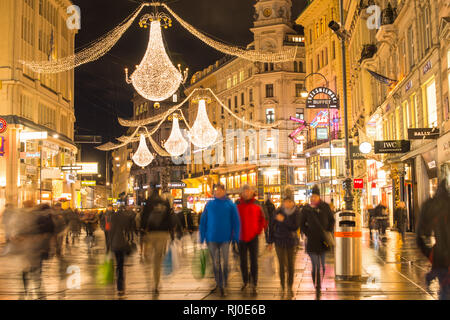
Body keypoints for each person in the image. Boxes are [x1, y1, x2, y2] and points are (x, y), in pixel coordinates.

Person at [199, 184, 240, 297]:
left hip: (225, 238)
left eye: (219, 190)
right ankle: (220, 284)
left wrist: (236, 236)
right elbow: (203, 221)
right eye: (216, 190)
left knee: (225, 262)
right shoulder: (209, 205)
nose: (217, 192)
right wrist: (202, 236)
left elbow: (236, 221)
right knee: (216, 263)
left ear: (224, 191)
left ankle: (225, 282)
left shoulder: (230, 205)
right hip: (211, 238)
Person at [417, 179, 450, 300]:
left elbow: (419, 237)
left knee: (445, 290)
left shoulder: (430, 206)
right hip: (442, 258)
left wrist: (429, 253)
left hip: (440, 258)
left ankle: (433, 277)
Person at [300, 185, 335, 298]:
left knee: (323, 266)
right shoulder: (307, 209)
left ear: (319, 196)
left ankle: (319, 282)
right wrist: (307, 233)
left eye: (315, 196)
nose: (313, 198)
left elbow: (331, 220)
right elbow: (302, 223)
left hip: (323, 241)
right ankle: (317, 286)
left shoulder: (325, 206)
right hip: (312, 241)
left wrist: (328, 231)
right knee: (315, 265)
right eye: (312, 196)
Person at [267, 187, 301, 298]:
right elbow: (271, 226)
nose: (287, 203)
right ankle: (282, 286)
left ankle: (289, 286)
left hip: (290, 241)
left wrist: (284, 220)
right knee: (281, 264)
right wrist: (270, 241)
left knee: (290, 265)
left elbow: (295, 226)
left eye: (290, 201)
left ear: (292, 202)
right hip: (279, 241)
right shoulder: (278, 211)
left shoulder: (296, 212)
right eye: (286, 201)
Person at [141, 188, 174, 295]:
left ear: (151, 190)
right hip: (162, 234)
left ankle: (150, 280)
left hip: (151, 233)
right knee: (157, 260)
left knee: (148, 258)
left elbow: (144, 218)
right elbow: (170, 219)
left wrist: (142, 231)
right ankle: (156, 283)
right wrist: (170, 233)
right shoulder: (165, 202)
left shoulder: (148, 202)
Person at [235, 185, 267, 295]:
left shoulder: (257, 204)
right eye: (244, 191)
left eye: (248, 191)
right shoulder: (237, 204)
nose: (246, 193)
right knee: (243, 261)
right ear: (242, 193)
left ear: (252, 192)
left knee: (254, 261)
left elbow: (263, 219)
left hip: (253, 237)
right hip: (241, 237)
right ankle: (245, 281)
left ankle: (254, 283)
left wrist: (258, 231)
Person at [108, 205, 133, 296]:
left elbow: (109, 231)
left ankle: (118, 285)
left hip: (115, 244)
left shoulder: (111, 218)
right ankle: (120, 287)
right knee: (121, 265)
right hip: (122, 245)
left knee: (118, 265)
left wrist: (109, 244)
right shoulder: (125, 218)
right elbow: (129, 230)